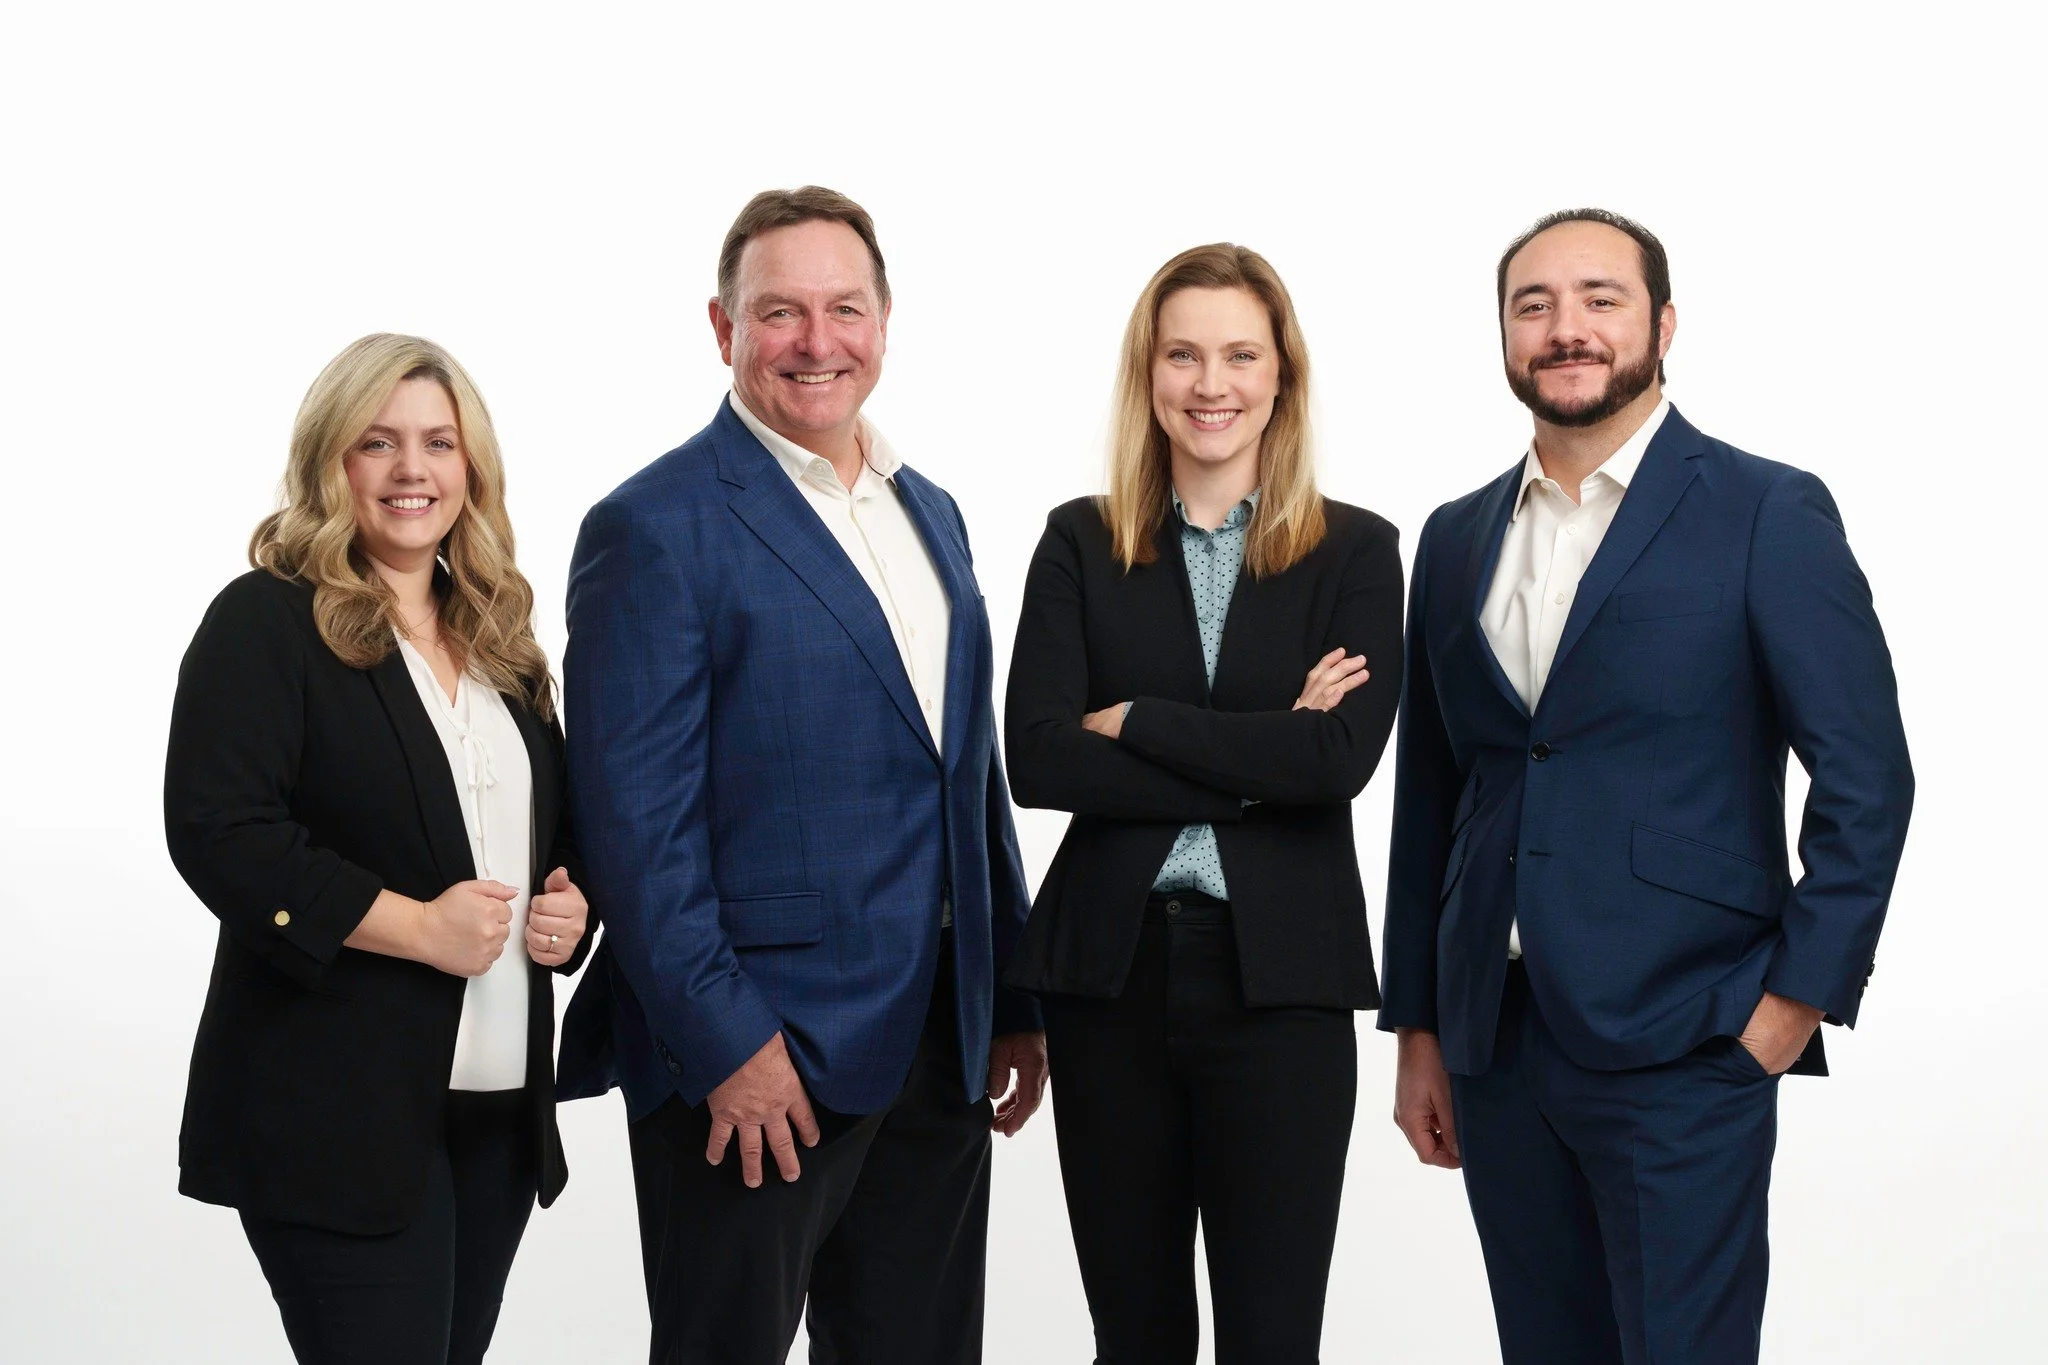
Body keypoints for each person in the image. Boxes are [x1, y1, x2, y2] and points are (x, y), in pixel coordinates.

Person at [1378, 209, 1915, 1365]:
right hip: (1497, 1044)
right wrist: (1418, 1025)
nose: (1565, 328)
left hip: (1687, 1037)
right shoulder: (1454, 535)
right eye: (1533, 305)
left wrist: (1785, 1012)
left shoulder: (1764, 510)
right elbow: (1433, 792)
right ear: (1504, 336)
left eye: (1599, 299)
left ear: (1661, 324)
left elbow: (1865, 776)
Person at [557, 186, 1046, 1364]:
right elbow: (633, 824)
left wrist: (1011, 991)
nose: (815, 342)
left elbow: (961, 771)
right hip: (756, 1057)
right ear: (721, 330)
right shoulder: (654, 526)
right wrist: (725, 1040)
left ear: (884, 322)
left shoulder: (929, 510)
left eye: (844, 309)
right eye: (779, 312)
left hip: (937, 1041)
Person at [1003, 243, 1404, 1364]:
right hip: (1107, 981)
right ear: (1148, 375)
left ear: (1282, 376)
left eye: (1238, 354)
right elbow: (1037, 761)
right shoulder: (1079, 540)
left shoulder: (1357, 552)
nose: (1209, 383)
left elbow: (1334, 764)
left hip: (1282, 986)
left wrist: (1132, 720)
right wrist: (1263, 748)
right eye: (1181, 354)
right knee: (1134, 1334)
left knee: (1271, 1337)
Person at [164, 333, 594, 1364]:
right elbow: (221, 833)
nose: (413, 471)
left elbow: (558, 836)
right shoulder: (266, 621)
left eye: (439, 444)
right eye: (378, 443)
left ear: (471, 469)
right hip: (335, 1120)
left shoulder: (501, 641)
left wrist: (570, 906)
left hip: (494, 1119)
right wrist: (416, 928)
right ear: (331, 463)